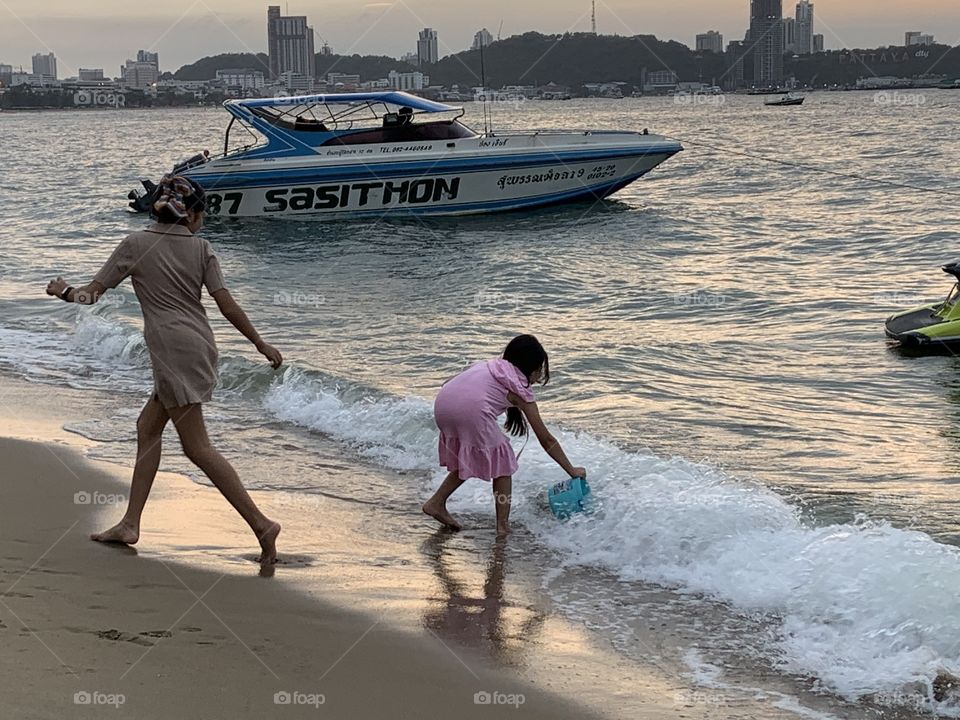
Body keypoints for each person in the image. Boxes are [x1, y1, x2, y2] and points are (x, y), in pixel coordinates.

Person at [45, 176, 283, 566]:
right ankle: (130, 523)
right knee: (148, 428)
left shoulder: (136, 244)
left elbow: (90, 296)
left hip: (172, 352)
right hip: (197, 347)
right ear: (191, 213)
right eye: (203, 211)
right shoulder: (202, 248)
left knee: (197, 448)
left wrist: (64, 290)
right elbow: (226, 305)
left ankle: (262, 524)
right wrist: (259, 343)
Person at [423, 335, 587, 537]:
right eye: (540, 369)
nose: (540, 374)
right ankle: (502, 526)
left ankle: (437, 502)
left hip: (443, 405)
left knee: (469, 457)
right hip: (470, 411)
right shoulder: (518, 388)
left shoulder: (492, 367)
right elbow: (546, 439)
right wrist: (571, 470)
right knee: (503, 463)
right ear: (532, 369)